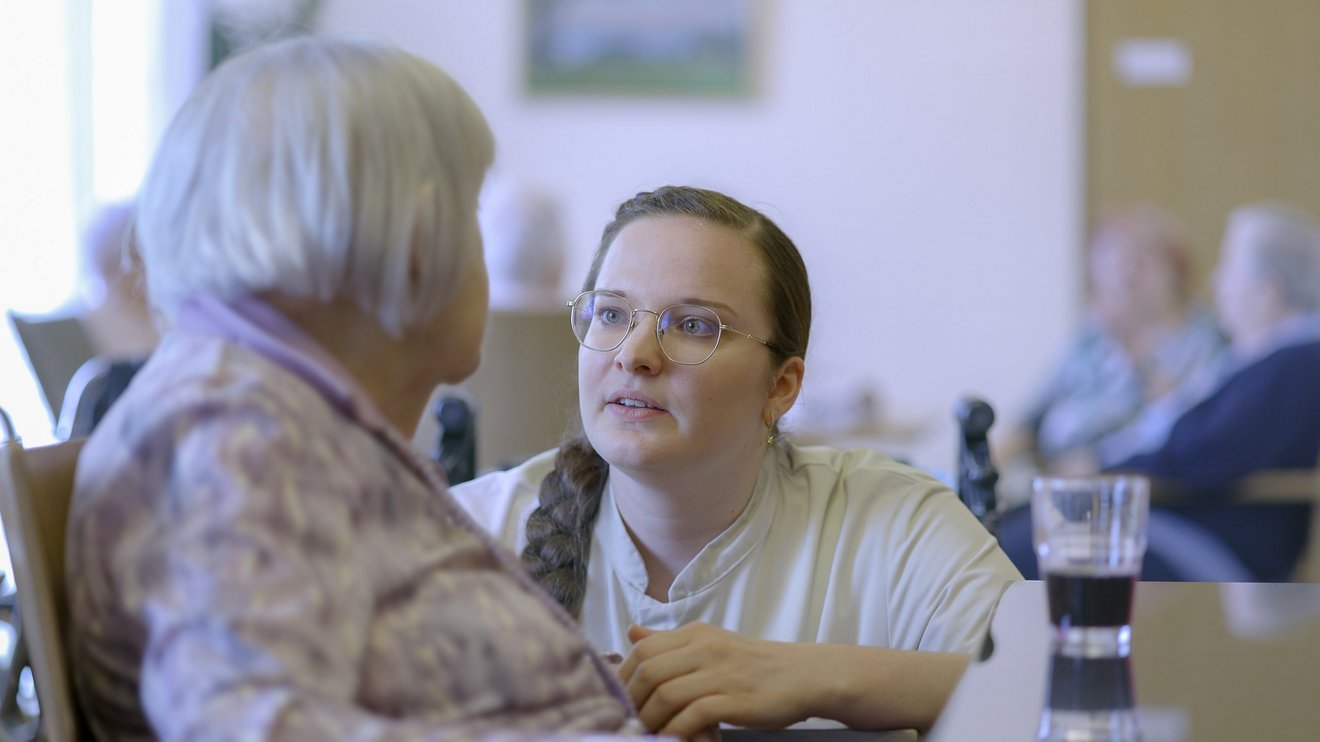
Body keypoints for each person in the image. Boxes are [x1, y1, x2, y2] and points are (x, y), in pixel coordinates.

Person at [66, 36, 644, 740]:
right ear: (418, 246)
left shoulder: (270, 416)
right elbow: (248, 724)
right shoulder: (238, 433)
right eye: (470, 216)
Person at [452, 185, 1022, 737]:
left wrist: (808, 676)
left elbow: (1062, 688)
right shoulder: (466, 534)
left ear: (781, 386)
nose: (634, 355)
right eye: (611, 314)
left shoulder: (894, 524)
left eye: (695, 325)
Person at [998, 201, 1320, 582]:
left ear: (1268, 292)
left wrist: (1102, 470)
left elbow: (1204, 451)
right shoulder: (1275, 360)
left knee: (1012, 550)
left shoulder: (1293, 363)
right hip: (1176, 518)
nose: (1217, 285)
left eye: (1228, 270)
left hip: (1208, 537)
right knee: (1006, 534)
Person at [1000, 205, 1227, 487]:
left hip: (1145, 497)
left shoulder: (1202, 342)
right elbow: (1032, 416)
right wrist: (992, 462)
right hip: (1061, 491)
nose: (1126, 272)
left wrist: (1098, 464)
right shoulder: (1093, 340)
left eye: (1142, 258)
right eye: (1114, 258)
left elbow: (1189, 437)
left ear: (1176, 271)